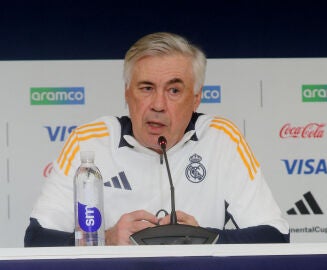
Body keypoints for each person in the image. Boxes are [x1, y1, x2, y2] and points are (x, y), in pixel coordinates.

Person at [24, 32, 290, 246]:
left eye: (174, 90)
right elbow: (36, 239)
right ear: (128, 94)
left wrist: (204, 238)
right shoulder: (89, 141)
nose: (158, 105)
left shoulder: (221, 138)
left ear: (196, 98)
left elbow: (275, 235)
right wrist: (105, 240)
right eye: (146, 88)